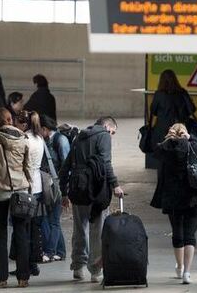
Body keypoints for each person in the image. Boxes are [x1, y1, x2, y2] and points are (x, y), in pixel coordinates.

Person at [59, 117, 124, 282]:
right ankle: (95, 270)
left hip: (78, 187)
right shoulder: (104, 136)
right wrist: (115, 185)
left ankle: (78, 267)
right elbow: (105, 163)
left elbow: (66, 165)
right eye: (113, 132)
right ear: (107, 126)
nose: (112, 135)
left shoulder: (78, 136)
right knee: (98, 229)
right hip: (97, 189)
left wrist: (64, 192)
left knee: (80, 228)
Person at [0, 108, 32, 288]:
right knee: (21, 235)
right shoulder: (23, 139)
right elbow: (28, 167)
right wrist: (28, 187)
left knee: (0, 237)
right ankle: (23, 278)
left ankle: (1, 279)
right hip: (21, 191)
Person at [152, 123, 197, 285]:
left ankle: (179, 267)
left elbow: (155, 151)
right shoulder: (193, 147)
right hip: (194, 197)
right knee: (190, 235)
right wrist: (191, 138)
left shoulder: (166, 149)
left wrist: (168, 139)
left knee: (177, 233)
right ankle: (187, 272)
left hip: (173, 198)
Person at [147, 69, 196, 169]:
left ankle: (164, 180)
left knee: (163, 159)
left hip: (161, 130)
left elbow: (154, 111)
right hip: (180, 129)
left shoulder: (159, 94)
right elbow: (192, 109)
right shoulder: (182, 93)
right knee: (180, 158)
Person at [16, 111, 45, 273]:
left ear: (23, 124)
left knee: (23, 230)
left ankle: (25, 265)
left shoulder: (24, 139)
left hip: (27, 188)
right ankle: (33, 264)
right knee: (34, 228)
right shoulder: (39, 138)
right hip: (38, 186)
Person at [39, 115, 68, 262]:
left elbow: (67, 165)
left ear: (45, 129)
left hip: (57, 185)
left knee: (53, 220)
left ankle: (50, 252)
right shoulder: (46, 140)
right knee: (52, 219)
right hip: (49, 185)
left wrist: (66, 192)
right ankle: (60, 251)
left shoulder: (60, 140)